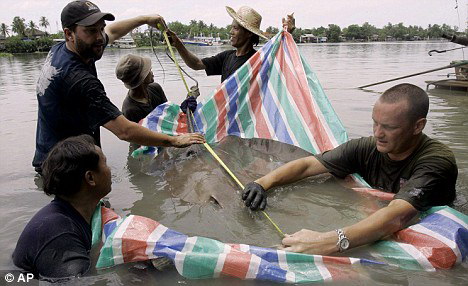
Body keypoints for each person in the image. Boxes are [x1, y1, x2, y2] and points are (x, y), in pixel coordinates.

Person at [242, 83, 458, 255]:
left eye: (389, 127)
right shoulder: (367, 147)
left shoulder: (437, 161)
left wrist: (329, 241)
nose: (378, 133)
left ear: (418, 126)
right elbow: (308, 165)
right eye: (375, 123)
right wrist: (262, 183)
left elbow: (397, 217)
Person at [32, 0, 205, 173]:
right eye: (91, 31)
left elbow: (112, 31)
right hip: (63, 166)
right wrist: (174, 140)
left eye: (100, 28)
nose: (100, 37)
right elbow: (125, 131)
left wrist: (144, 19)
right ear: (69, 34)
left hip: (58, 152)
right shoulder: (79, 80)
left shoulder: (65, 49)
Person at [13, 135, 113, 278]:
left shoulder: (81, 212)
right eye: (105, 163)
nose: (110, 170)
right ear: (90, 178)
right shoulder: (61, 233)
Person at [163, 6, 295, 83]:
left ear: (249, 33)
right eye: (231, 28)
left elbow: (282, 62)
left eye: (235, 29)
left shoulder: (258, 60)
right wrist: (178, 44)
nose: (230, 32)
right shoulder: (227, 56)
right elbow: (196, 64)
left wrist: (288, 33)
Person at [115, 54, 197, 123]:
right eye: (148, 71)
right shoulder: (130, 110)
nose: (152, 72)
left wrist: (183, 108)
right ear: (142, 78)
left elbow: (167, 114)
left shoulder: (155, 88)